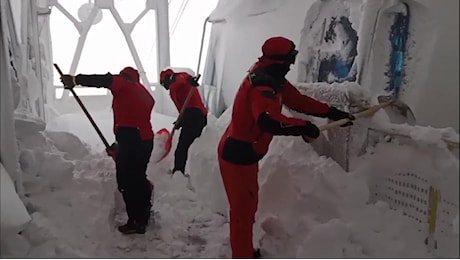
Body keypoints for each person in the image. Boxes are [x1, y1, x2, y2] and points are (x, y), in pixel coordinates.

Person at [217, 36, 355, 258]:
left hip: (246, 150)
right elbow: (268, 120)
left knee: (247, 206)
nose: (292, 65)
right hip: (238, 155)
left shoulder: (273, 76)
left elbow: (297, 101)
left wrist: (330, 111)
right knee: (243, 212)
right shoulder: (263, 86)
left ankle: (243, 251)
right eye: (290, 60)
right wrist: (304, 127)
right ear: (279, 61)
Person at [60, 67, 155, 235]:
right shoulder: (141, 91)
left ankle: (136, 221)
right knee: (138, 177)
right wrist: (121, 145)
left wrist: (76, 80)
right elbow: (132, 118)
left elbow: (104, 80)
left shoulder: (124, 83)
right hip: (143, 140)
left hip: (133, 139)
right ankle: (144, 211)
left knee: (126, 181)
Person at [159, 68, 207, 176]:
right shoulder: (183, 76)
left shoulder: (174, 87)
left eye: (163, 84)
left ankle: (178, 173)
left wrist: (181, 121)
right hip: (201, 115)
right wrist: (180, 122)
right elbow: (184, 79)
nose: (165, 88)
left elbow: (182, 108)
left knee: (182, 148)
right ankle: (194, 173)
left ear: (166, 80)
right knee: (197, 146)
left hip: (192, 115)